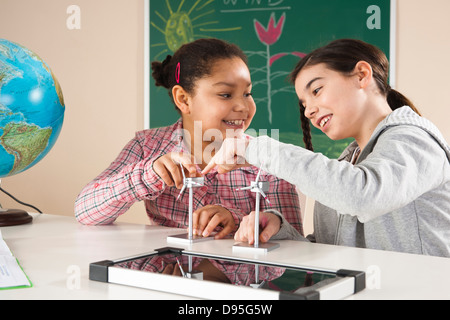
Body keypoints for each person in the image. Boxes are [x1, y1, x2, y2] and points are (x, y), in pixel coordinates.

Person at [203, 39, 450, 258]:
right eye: (304, 104)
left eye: (317, 90)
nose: (309, 110)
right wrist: (278, 227)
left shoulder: (416, 140)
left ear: (362, 74)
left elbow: (363, 196)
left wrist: (253, 148)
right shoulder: (348, 163)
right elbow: (331, 250)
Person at [74, 38, 303, 241]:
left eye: (247, 93)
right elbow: (86, 210)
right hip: (173, 277)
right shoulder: (148, 146)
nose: (243, 106)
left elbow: (295, 244)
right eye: (225, 94)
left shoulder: (267, 159)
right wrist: (150, 174)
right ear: (183, 99)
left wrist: (237, 221)